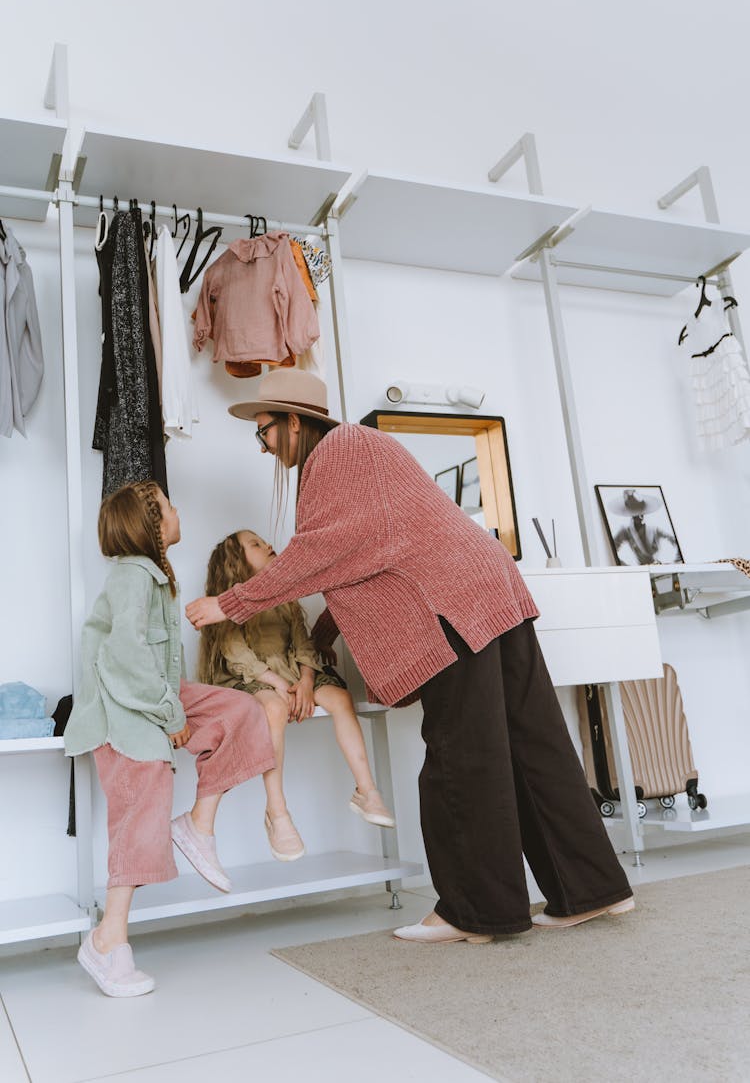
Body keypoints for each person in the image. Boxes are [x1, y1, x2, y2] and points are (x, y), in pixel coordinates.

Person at [186, 370, 634, 945]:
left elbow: (325, 550)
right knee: (533, 745)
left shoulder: (338, 453)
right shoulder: (365, 448)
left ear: (294, 422)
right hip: (488, 592)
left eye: (264, 432)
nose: (265, 446)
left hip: (448, 610)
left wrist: (232, 603)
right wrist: (325, 629)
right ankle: (593, 888)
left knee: (461, 759)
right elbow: (372, 550)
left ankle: (476, 912)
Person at [64, 481, 275, 996]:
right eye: (169, 507)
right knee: (144, 795)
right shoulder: (133, 577)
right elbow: (124, 659)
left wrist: (172, 705)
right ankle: (109, 939)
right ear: (153, 525)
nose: (179, 512)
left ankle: (197, 826)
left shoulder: (154, 577)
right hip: (120, 707)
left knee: (240, 710)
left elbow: (151, 666)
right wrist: (169, 713)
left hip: (153, 693)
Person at [198, 529, 395, 862]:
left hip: (293, 672)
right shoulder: (227, 602)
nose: (269, 545)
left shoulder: (285, 594)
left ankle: (367, 790)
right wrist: (275, 683)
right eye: (256, 544)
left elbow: (303, 643)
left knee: (341, 698)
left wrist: (305, 681)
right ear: (235, 563)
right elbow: (236, 653)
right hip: (254, 676)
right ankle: (277, 811)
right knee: (274, 709)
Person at [610, 488, 680, 566]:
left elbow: (677, 542)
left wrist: (676, 562)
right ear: (631, 514)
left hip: (659, 567)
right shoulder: (626, 531)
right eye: (636, 514)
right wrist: (627, 567)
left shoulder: (655, 528)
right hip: (641, 571)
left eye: (642, 512)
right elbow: (611, 550)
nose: (640, 517)